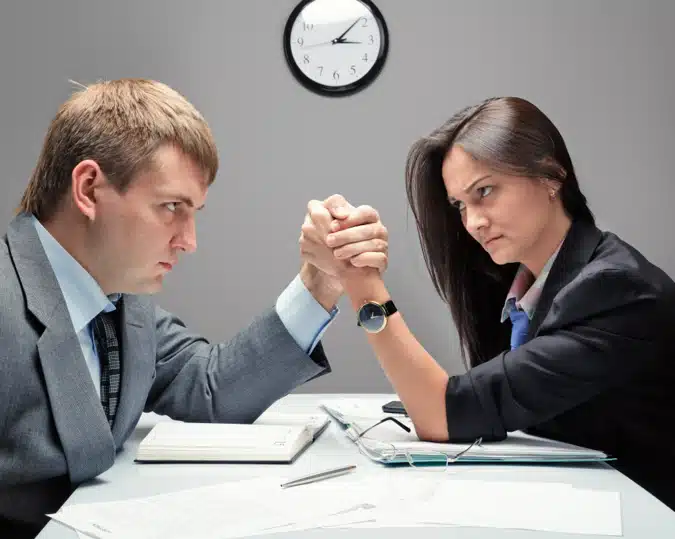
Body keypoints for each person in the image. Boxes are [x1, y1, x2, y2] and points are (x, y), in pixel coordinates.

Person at [0, 78, 389, 537]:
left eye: (194, 212)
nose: (189, 241)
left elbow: (209, 388)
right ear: (88, 189)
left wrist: (320, 280)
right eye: (170, 207)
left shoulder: (119, 302)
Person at [301, 96, 675, 510]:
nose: (473, 222)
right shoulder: (518, 287)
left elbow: (444, 414)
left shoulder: (615, 289)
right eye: (460, 205)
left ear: (551, 175)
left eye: (485, 191)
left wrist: (360, 280)